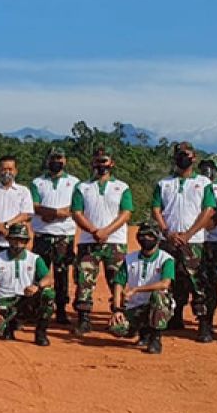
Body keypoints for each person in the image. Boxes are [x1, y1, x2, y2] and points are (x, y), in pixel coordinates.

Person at [151, 141, 217, 342]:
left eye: (187, 154)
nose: (183, 157)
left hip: (194, 240)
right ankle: (173, 317)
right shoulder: (164, 184)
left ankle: (203, 324)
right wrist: (166, 231)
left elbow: (208, 210)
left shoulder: (204, 183)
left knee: (198, 282)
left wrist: (189, 234)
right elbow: (156, 209)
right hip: (168, 239)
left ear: (194, 157)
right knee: (171, 281)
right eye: (180, 154)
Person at [71, 148, 133, 334]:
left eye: (105, 161)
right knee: (84, 280)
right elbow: (76, 212)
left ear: (111, 163)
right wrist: (93, 230)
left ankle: (119, 316)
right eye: (98, 161)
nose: (101, 165)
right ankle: (83, 319)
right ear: (92, 163)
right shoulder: (82, 187)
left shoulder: (122, 187)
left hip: (115, 241)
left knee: (118, 280)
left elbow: (126, 213)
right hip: (88, 241)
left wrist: (107, 231)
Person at [109, 220, 176, 355]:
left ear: (157, 239)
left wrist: (136, 289)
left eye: (150, 236)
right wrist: (117, 310)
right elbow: (118, 283)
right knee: (118, 328)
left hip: (157, 306)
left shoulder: (166, 259)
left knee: (159, 295)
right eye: (142, 236)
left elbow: (165, 284)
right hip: (135, 306)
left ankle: (156, 338)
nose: (146, 239)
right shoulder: (130, 258)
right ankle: (142, 332)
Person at [0, 222, 54, 345]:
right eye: (14, 240)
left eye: (21, 240)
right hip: (4, 302)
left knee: (48, 293)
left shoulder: (34, 259)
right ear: (8, 240)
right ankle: (8, 326)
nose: (17, 244)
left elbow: (49, 278)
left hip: (26, 300)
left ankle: (41, 332)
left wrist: (37, 286)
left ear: (26, 242)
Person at [31, 146, 80, 325]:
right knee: (38, 272)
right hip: (42, 235)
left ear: (65, 161)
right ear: (47, 160)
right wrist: (56, 212)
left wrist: (54, 213)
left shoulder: (75, 182)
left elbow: (75, 208)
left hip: (64, 236)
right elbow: (35, 206)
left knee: (62, 274)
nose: (56, 162)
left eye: (60, 158)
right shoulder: (37, 182)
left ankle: (61, 310)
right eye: (53, 158)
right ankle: (36, 308)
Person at [0, 154, 33, 263]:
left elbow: (26, 214)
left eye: (10, 169)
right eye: (3, 169)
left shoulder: (23, 191)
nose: (7, 172)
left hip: (16, 244)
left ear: (16, 171)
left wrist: (7, 225)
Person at [198, 156, 217, 333]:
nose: (207, 171)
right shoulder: (197, 183)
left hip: (212, 240)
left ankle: (207, 319)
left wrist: (201, 227)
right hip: (194, 240)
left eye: (211, 167)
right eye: (205, 167)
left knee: (210, 281)